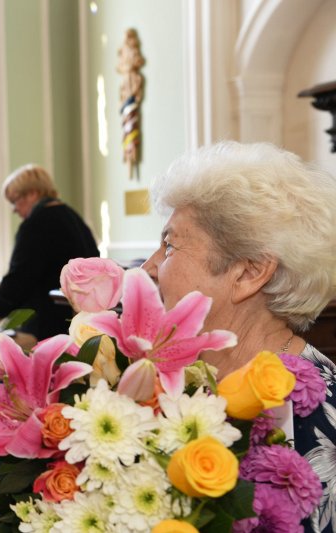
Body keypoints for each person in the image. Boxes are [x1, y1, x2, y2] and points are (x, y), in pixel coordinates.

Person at [142, 141, 336, 533]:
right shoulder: (179, 378)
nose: (148, 267)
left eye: (169, 245)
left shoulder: (313, 416)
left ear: (249, 273)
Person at [0, 164, 99, 341]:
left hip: (46, 329)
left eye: (15, 201)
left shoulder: (35, 225)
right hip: (80, 327)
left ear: (33, 193)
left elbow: (18, 281)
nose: (14, 209)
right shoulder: (73, 217)